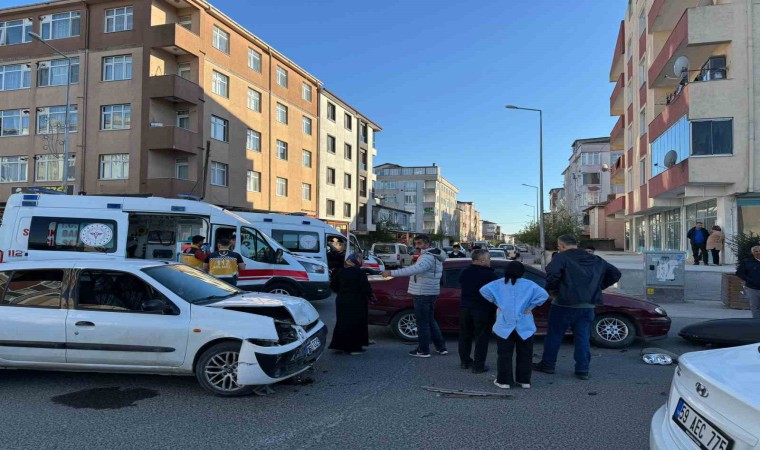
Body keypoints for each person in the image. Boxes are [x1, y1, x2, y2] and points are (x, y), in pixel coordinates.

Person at [533, 235, 621, 380]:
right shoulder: (595, 259)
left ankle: (548, 365)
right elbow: (615, 274)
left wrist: (553, 292)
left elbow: (552, 276)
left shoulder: (561, 258)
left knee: (554, 336)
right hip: (587, 306)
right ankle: (582, 370)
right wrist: (597, 288)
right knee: (582, 338)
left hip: (563, 304)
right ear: (576, 244)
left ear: (561, 246)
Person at [480, 262, 549, 389]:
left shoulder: (498, 283)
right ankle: (524, 381)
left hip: (505, 324)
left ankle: (504, 381)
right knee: (525, 353)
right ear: (523, 272)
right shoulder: (529, 284)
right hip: (524, 324)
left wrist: (496, 302)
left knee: (504, 354)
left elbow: (483, 290)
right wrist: (531, 306)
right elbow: (544, 295)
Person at [381, 234, 448, 357]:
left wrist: (391, 272)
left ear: (427, 244)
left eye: (419, 244)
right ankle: (441, 347)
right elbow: (415, 268)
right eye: (416, 243)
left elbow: (414, 270)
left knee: (422, 323)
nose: (417, 246)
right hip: (429, 292)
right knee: (430, 320)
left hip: (422, 292)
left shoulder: (428, 257)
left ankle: (423, 350)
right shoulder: (433, 255)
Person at [457, 249, 500, 373]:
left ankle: (464, 362)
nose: (490, 261)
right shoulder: (490, 275)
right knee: (481, 338)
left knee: (465, 336)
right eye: (488, 259)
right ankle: (478, 366)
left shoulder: (464, 272)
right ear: (482, 260)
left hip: (465, 308)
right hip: (482, 310)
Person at [329, 253, 373, 354]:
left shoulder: (339, 272)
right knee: (355, 323)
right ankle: (353, 348)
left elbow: (334, 286)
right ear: (356, 261)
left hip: (342, 301)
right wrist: (369, 295)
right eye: (362, 259)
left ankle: (340, 345)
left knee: (342, 322)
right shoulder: (359, 273)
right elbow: (365, 288)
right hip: (356, 301)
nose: (363, 262)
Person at [736, 245, 760, 319]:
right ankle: (756, 323)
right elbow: (739, 273)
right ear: (752, 253)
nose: (759, 253)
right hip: (752, 288)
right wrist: (750, 280)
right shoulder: (747, 262)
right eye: (756, 251)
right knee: (754, 306)